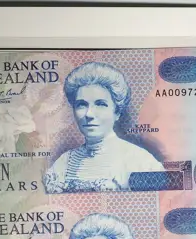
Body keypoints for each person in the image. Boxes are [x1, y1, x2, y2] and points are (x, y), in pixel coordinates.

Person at [43, 62, 163, 193]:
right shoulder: (63, 164)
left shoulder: (141, 161)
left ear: (117, 112)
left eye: (100, 104)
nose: (89, 114)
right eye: (81, 104)